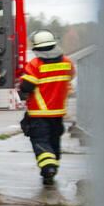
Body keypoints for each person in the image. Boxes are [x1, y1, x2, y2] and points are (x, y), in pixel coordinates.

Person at [18, 30, 75, 186]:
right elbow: (70, 77)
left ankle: (48, 167)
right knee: (54, 141)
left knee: (41, 141)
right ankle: (52, 166)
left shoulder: (35, 65)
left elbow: (27, 86)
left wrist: (20, 90)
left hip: (39, 113)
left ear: (37, 48)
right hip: (58, 113)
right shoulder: (67, 62)